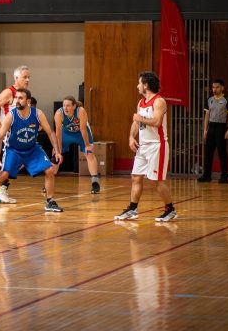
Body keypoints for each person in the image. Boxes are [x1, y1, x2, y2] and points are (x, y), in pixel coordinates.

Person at [0, 88, 63, 214]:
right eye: (16, 97)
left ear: (28, 101)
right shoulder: (11, 116)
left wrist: (57, 151)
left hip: (32, 149)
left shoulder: (38, 114)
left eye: (20, 98)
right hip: (14, 150)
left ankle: (50, 202)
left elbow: (50, 132)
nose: (17, 100)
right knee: (3, 175)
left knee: (50, 170)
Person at [115, 71, 177, 222]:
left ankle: (170, 209)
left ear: (146, 85)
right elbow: (136, 123)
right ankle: (132, 208)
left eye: (139, 83)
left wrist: (140, 118)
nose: (137, 86)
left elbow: (156, 122)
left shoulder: (159, 101)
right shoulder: (141, 103)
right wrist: (131, 137)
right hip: (143, 146)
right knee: (136, 177)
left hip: (157, 145)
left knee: (157, 180)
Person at [0, 65, 31, 204]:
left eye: (28, 77)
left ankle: (1, 189)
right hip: (9, 134)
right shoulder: (9, 92)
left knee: (22, 161)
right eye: (25, 77)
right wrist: (0, 127)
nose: (28, 79)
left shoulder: (23, 93)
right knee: (15, 162)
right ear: (16, 78)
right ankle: (0, 190)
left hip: (18, 134)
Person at [54, 96, 101, 194]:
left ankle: (95, 183)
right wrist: (57, 149)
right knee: (55, 154)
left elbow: (83, 130)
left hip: (81, 133)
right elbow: (58, 133)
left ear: (74, 106)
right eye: (64, 105)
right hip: (66, 133)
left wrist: (87, 145)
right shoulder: (59, 113)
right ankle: (50, 181)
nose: (65, 108)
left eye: (68, 106)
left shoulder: (81, 111)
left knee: (89, 154)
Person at [198, 79, 228, 184]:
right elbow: (207, 115)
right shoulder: (209, 100)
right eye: (213, 87)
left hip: (221, 127)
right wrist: (205, 130)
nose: (214, 89)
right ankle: (207, 175)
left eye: (217, 87)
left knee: (222, 152)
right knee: (208, 152)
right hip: (211, 127)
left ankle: (224, 176)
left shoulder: (227, 99)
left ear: (222, 88)